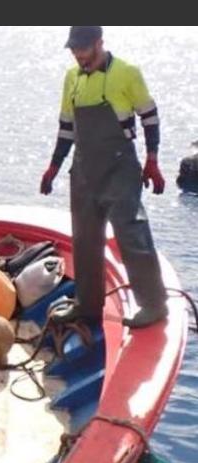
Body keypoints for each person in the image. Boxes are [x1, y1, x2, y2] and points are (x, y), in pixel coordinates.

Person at [39, 26, 168, 329]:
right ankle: (87, 305)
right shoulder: (72, 78)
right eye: (74, 50)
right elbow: (67, 127)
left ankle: (153, 305)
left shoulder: (126, 72)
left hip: (119, 168)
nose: (79, 55)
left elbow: (150, 116)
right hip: (83, 171)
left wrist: (152, 159)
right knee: (84, 239)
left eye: (84, 49)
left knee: (131, 233)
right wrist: (54, 167)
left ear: (99, 42)